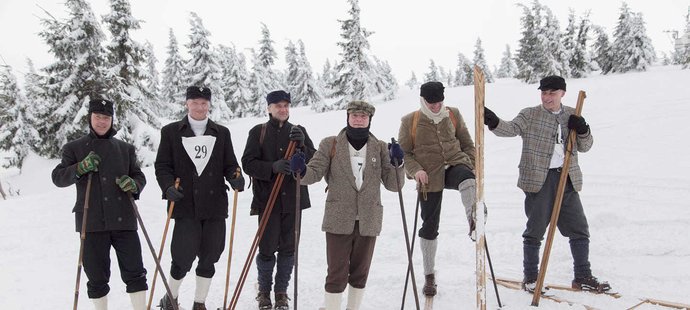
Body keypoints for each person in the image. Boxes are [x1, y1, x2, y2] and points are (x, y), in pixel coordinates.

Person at [483, 75, 611, 293]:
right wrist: (493, 121)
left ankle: (582, 276)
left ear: (562, 93)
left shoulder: (573, 113)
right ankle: (531, 278)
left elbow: (586, 146)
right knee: (535, 230)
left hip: (567, 178)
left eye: (552, 93)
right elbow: (511, 129)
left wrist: (582, 129)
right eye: (543, 92)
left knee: (579, 229)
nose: (547, 97)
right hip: (539, 180)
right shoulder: (530, 114)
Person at [290, 100, 405, 310]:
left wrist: (398, 163)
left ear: (370, 119)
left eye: (363, 117)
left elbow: (393, 185)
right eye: (355, 116)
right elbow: (314, 173)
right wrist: (302, 171)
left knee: (360, 273)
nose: (359, 120)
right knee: (336, 272)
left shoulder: (379, 147)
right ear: (348, 117)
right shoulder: (331, 144)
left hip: (369, 218)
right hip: (338, 217)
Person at [52, 99, 148, 310]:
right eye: (97, 117)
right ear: (90, 118)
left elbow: (139, 177)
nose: (102, 122)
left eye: (106, 117)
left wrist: (133, 184)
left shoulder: (125, 149)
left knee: (135, 272)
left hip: (124, 219)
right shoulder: (74, 148)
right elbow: (58, 177)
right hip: (91, 221)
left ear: (112, 119)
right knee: (96, 276)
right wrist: (80, 167)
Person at [154, 86, 245, 310]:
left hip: (214, 206)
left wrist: (236, 177)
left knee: (210, 256)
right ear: (187, 103)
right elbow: (162, 166)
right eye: (194, 102)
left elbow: (230, 164)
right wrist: (167, 187)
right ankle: (170, 298)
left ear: (209, 105)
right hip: (185, 205)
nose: (199, 107)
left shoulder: (221, 133)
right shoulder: (171, 132)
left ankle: (199, 303)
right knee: (182, 258)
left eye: (204, 103)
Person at [397, 81, 479, 297]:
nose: (435, 106)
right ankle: (429, 275)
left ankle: (475, 220)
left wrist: (470, 163)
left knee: (467, 178)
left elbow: (467, 143)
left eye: (439, 102)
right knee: (430, 226)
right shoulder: (410, 121)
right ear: (423, 100)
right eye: (431, 103)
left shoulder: (453, 114)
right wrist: (416, 171)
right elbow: (405, 153)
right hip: (428, 176)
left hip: (455, 164)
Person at [241, 90, 316, 310]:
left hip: (294, 200)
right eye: (278, 106)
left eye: (286, 105)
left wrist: (302, 146)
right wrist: (271, 167)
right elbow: (247, 163)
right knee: (266, 248)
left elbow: (314, 161)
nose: (282, 109)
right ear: (269, 108)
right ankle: (264, 292)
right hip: (268, 200)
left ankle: (281, 292)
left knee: (288, 248)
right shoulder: (258, 132)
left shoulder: (299, 131)